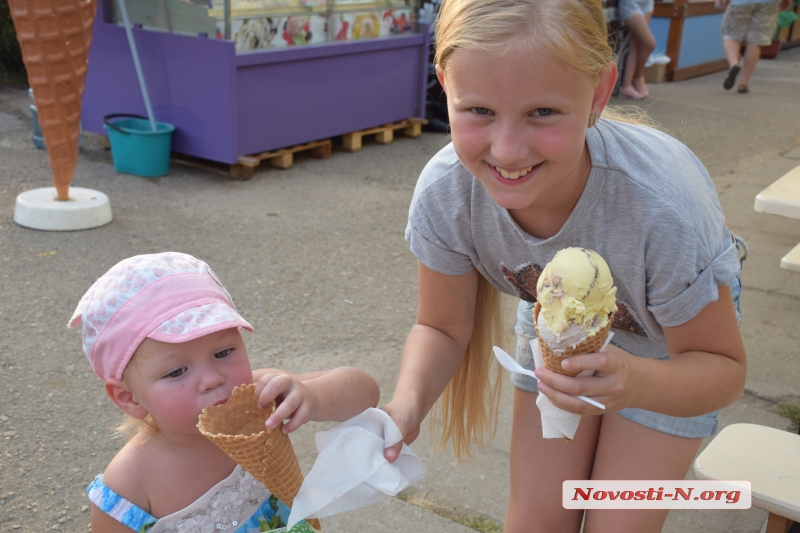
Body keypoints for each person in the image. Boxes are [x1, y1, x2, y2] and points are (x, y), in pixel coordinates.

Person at [380, 0, 747, 531]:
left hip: (672, 351)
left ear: (598, 91)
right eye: (479, 110)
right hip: (557, 325)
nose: (506, 152)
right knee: (536, 519)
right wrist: (406, 407)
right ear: (445, 82)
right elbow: (441, 324)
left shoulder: (665, 209)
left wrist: (636, 383)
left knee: (616, 523)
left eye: (542, 112)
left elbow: (723, 369)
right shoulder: (447, 195)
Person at [70, 252, 379, 533]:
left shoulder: (261, 397)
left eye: (223, 352)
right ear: (129, 397)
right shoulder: (129, 486)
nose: (212, 379)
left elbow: (365, 391)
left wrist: (313, 397)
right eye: (177, 371)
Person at [718, 0, 791, 93]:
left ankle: (734, 65)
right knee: (754, 42)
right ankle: (744, 83)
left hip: (741, 3)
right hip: (769, 3)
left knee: (730, 36)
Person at [617, 0, 657, 99]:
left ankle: (628, 84)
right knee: (649, 44)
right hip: (631, 3)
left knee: (636, 44)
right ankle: (637, 78)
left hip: (647, 2)